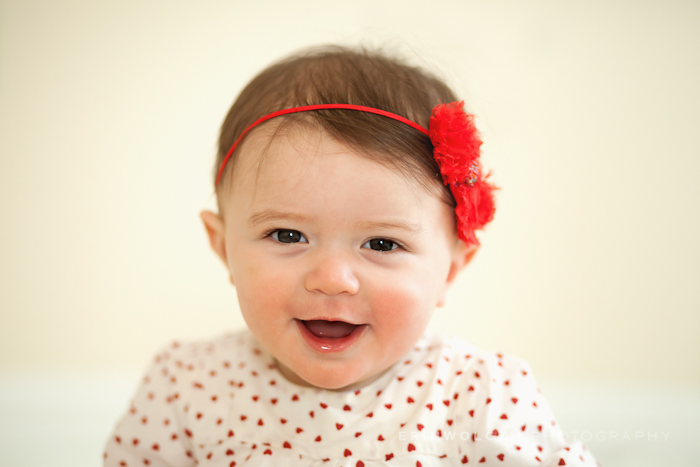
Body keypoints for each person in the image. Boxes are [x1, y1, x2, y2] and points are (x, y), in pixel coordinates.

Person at [104, 45, 599, 467]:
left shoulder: (480, 394)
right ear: (222, 246)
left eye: (382, 244)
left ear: (449, 269)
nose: (333, 279)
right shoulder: (187, 385)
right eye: (287, 234)